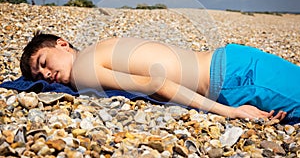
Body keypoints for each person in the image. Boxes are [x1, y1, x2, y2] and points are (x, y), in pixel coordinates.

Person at [20, 33, 300, 124]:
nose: (45, 75)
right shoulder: (101, 46)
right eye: (39, 75)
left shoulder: (83, 70)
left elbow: (156, 83)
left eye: (43, 63)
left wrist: (232, 112)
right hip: (233, 60)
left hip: (233, 79)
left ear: (62, 44)